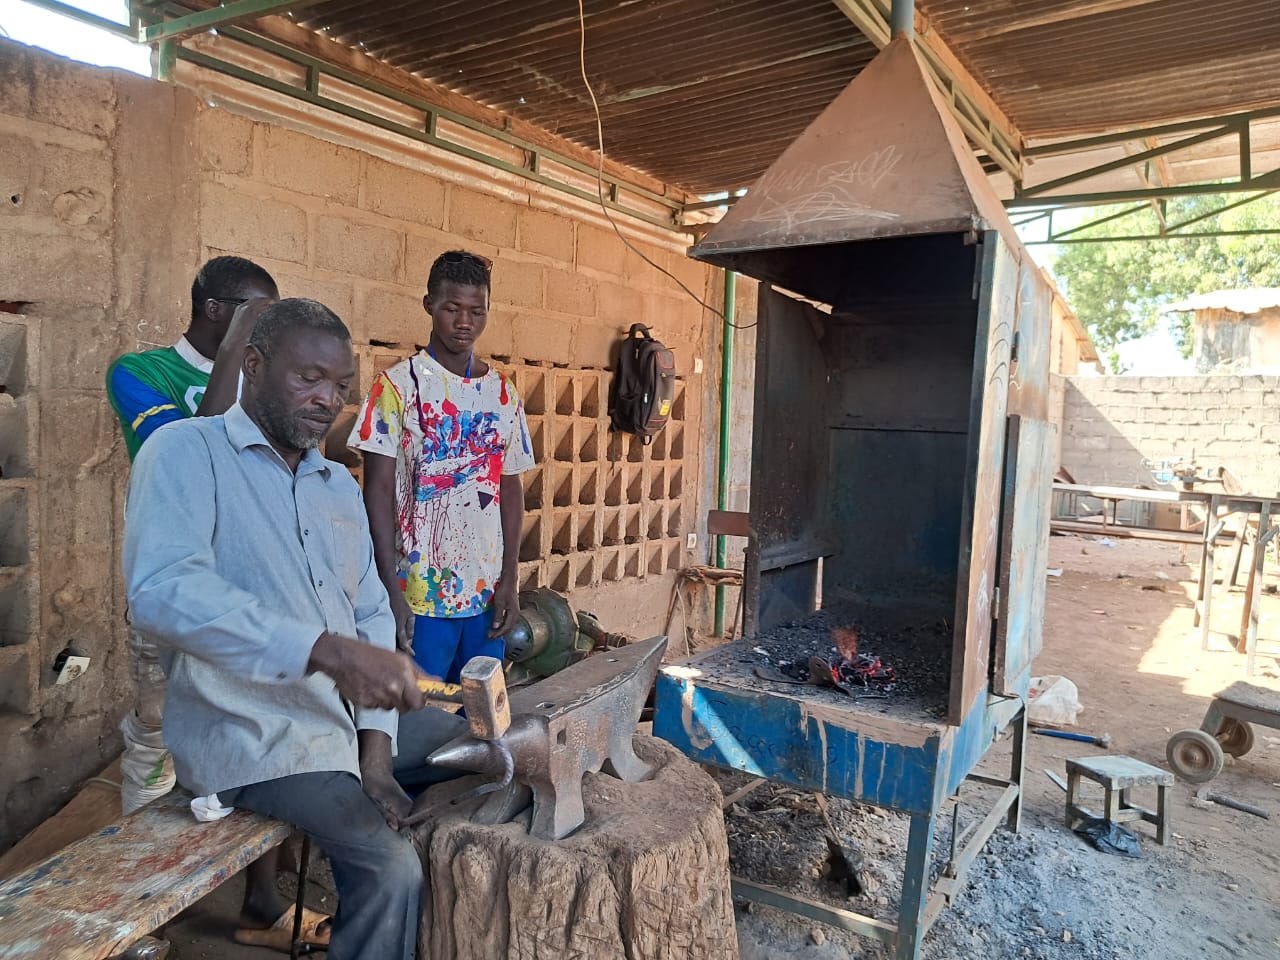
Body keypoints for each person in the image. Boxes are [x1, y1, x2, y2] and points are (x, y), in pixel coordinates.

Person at [123, 298, 461, 960]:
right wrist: (320, 650)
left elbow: (367, 611)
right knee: (392, 870)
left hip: (338, 725)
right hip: (255, 734)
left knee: (484, 747)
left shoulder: (335, 483)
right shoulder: (184, 455)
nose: (326, 400)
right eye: (309, 377)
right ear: (252, 364)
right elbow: (162, 594)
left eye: (339, 387)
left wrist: (376, 754)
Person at [106, 256, 321, 950]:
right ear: (215, 308)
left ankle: (261, 904)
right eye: (264, 315)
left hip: (257, 606)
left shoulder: (265, 384)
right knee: (159, 754)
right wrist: (238, 350)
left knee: (260, 748)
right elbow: (191, 447)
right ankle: (145, 919)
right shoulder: (141, 373)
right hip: (179, 602)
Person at [350, 250, 534, 683]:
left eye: (477, 311)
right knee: (419, 714)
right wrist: (387, 589)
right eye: (452, 309)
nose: (464, 322)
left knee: (479, 714)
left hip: (485, 596)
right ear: (429, 304)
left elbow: (510, 490)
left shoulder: (503, 395)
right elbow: (374, 490)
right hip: (418, 595)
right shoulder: (396, 387)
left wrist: (510, 579)